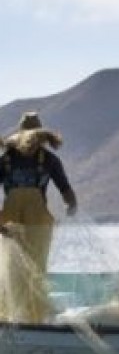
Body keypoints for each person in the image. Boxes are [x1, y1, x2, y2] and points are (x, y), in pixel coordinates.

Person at [0, 111, 77, 321]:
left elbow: (64, 188)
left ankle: (28, 317)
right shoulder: (45, 159)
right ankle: (19, 315)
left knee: (29, 270)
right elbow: (66, 189)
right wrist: (71, 203)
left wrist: (71, 202)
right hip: (14, 225)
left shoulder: (10, 159)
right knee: (20, 270)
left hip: (26, 223)